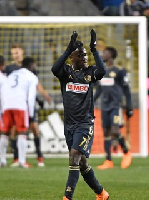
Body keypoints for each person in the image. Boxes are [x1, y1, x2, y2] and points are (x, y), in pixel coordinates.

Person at [52, 30, 109, 200]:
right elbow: (54, 68)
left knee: (74, 156)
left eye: (85, 55)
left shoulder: (89, 73)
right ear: (72, 57)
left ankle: (67, 197)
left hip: (85, 124)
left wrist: (94, 50)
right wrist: (68, 48)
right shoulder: (66, 73)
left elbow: (103, 71)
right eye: (81, 55)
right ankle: (101, 193)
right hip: (69, 124)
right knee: (82, 162)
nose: (84, 58)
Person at [5, 43, 50, 167]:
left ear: (22, 52)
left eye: (17, 52)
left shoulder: (30, 68)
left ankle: (39, 156)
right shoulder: (9, 69)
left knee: (35, 128)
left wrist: (44, 95)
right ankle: (16, 158)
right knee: (14, 130)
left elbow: (36, 84)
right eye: (13, 53)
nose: (15, 55)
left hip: (29, 102)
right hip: (17, 103)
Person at [94, 46, 133, 170]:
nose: (102, 54)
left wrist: (129, 105)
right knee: (106, 132)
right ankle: (108, 160)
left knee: (115, 131)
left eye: (104, 53)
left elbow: (126, 89)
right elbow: (99, 89)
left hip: (116, 106)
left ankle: (126, 152)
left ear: (110, 55)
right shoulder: (101, 71)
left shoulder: (119, 71)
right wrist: (92, 101)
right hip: (104, 106)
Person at [1, 55, 38, 168]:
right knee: (22, 132)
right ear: (30, 65)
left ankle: (2, 160)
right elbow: (31, 97)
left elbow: (3, 89)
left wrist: (3, 107)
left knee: (5, 133)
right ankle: (22, 161)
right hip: (20, 105)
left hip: (7, 105)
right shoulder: (31, 77)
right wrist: (31, 114)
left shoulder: (12, 74)